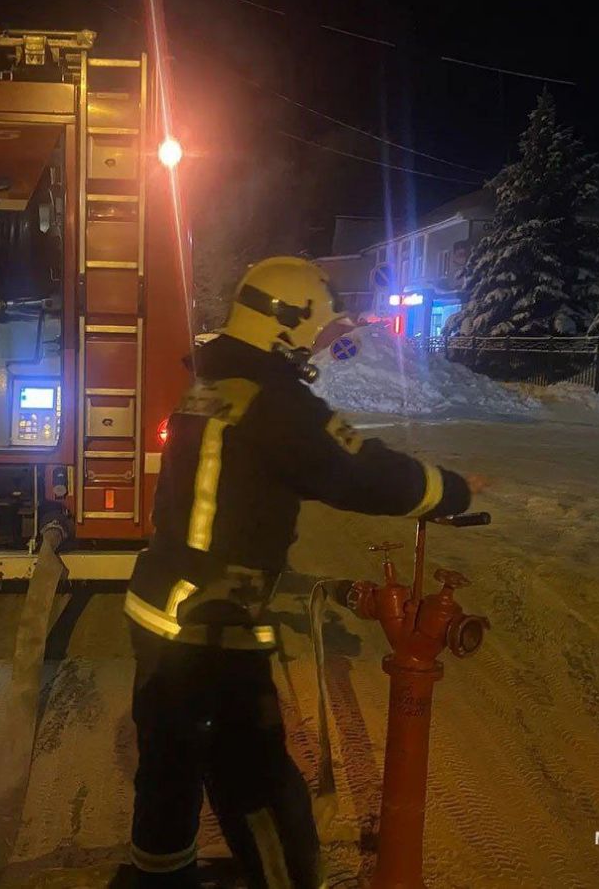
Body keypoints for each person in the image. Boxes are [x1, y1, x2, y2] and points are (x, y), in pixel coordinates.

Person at [123, 256, 481, 888]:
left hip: (159, 606)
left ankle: (158, 879)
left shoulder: (213, 382)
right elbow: (354, 470)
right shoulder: (274, 401)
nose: (320, 347)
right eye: (315, 331)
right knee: (259, 784)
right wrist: (448, 490)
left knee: (169, 768)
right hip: (214, 620)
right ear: (282, 324)